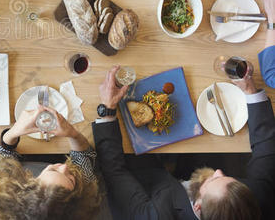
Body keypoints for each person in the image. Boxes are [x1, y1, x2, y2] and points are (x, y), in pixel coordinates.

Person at [93, 65, 275, 220]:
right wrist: (249, 90)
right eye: (229, 179)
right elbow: (267, 146)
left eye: (215, 181)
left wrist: (107, 109)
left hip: (150, 182)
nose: (219, 172)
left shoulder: (155, 214)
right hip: (188, 174)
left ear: (198, 207)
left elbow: (113, 171)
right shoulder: (256, 195)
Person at [0, 106, 101, 220]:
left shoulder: (7, 196)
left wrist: (14, 131)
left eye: (52, 170)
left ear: (28, 183)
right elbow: (84, 157)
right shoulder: (81, 193)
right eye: (71, 180)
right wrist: (73, 134)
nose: (63, 166)